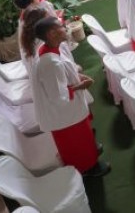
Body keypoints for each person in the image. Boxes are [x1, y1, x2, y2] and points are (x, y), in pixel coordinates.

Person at [31, 17, 110, 177]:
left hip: (68, 112)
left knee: (83, 139)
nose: (65, 27)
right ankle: (86, 169)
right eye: (61, 26)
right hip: (65, 116)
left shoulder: (49, 49)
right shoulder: (51, 63)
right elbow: (58, 97)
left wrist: (77, 76)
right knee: (76, 142)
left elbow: (61, 79)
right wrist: (81, 86)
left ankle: (90, 158)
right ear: (52, 34)